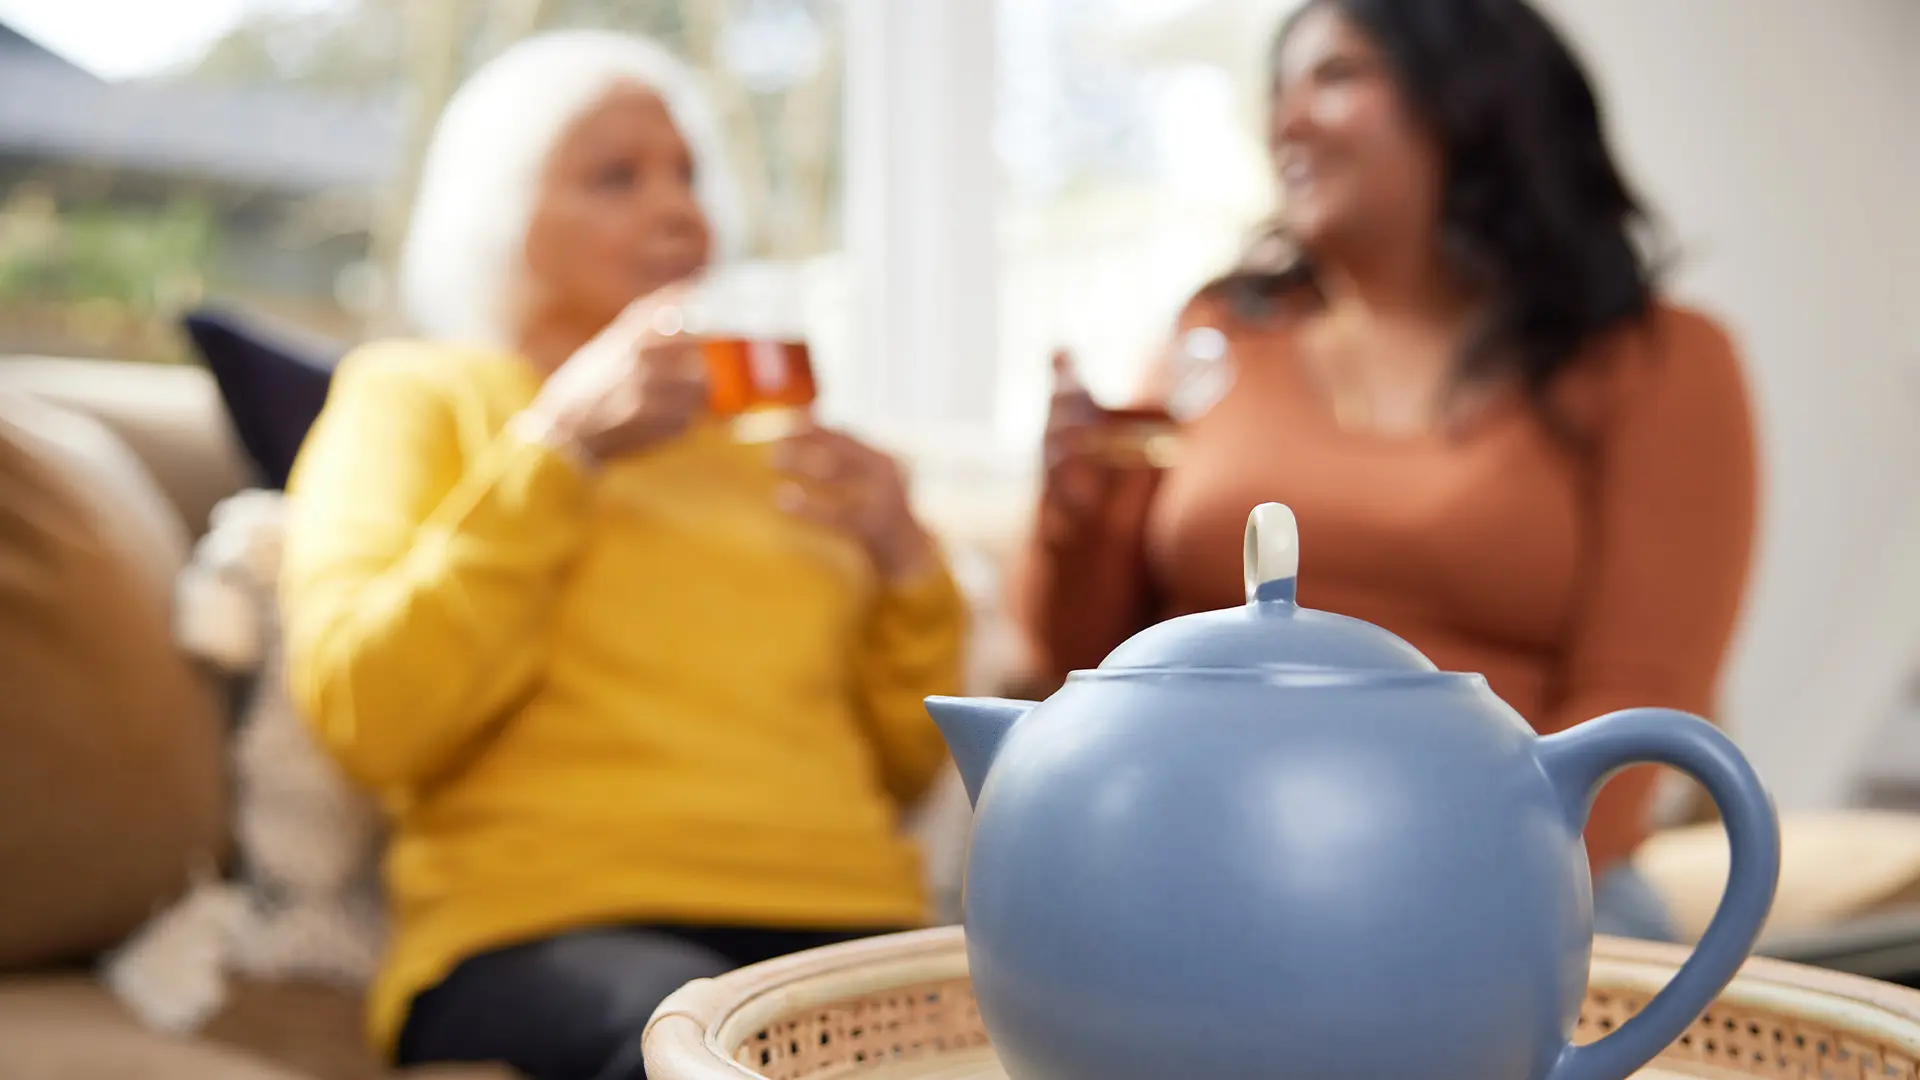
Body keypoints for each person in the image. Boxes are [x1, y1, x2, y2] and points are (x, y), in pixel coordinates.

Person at [280, 31, 964, 1080]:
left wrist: (905, 561)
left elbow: (906, 764)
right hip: (550, 924)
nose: (680, 209)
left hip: (846, 915)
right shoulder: (421, 395)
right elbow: (367, 711)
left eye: (686, 173)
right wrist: (561, 452)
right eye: (616, 177)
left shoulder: (775, 444)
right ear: (499, 215)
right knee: (683, 1043)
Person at [1014, 0, 1758, 944]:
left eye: (1335, 77)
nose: (1284, 123)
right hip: (1182, 874)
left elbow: (1637, 703)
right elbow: (1076, 657)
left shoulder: (1662, 361)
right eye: (1278, 93)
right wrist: (1077, 521)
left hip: (1513, 894)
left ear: (1473, 99)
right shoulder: (1223, 332)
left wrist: (1429, 903)